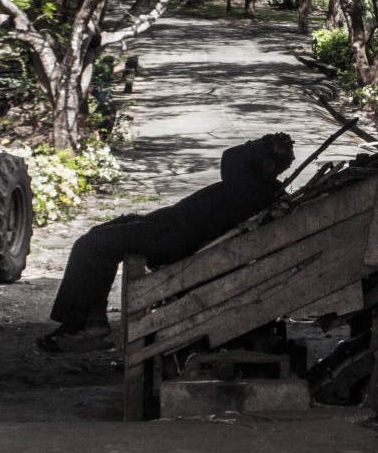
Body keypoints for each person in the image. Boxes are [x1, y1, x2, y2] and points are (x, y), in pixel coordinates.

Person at [36, 131, 294, 352]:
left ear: (268, 165)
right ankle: (92, 319)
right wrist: (266, 147)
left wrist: (268, 146)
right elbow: (237, 159)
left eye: (256, 152)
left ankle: (83, 326)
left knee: (92, 245)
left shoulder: (255, 189)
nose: (250, 152)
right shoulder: (256, 186)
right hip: (168, 228)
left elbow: (232, 157)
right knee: (97, 234)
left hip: (173, 238)